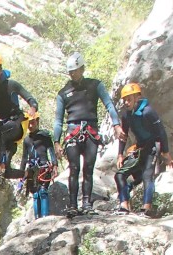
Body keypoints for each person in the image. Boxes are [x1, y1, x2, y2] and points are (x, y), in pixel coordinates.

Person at [52, 52, 125, 216]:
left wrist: (116, 124)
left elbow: (109, 104)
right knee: (74, 168)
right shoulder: (63, 93)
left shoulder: (95, 85)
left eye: (75, 70)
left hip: (91, 131)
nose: (73, 74)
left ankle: (86, 203)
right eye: (70, 71)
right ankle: (72, 205)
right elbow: (58, 120)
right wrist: (56, 142)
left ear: (82, 69)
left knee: (88, 168)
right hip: (72, 131)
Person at [114, 82, 173, 217]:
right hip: (140, 148)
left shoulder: (148, 112)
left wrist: (165, 153)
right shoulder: (126, 115)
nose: (126, 102)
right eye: (124, 99)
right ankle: (124, 205)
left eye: (129, 99)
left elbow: (161, 133)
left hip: (153, 146)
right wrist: (120, 154)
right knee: (120, 175)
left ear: (137, 97)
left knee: (147, 176)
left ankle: (146, 208)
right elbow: (123, 135)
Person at [18, 115, 57, 217]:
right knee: (35, 194)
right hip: (32, 169)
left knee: (43, 191)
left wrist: (55, 164)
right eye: (28, 123)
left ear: (37, 121)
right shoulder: (26, 140)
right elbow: (24, 157)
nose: (30, 125)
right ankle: (37, 218)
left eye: (32, 122)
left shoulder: (45, 136)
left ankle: (44, 217)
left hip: (45, 167)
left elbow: (51, 151)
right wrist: (21, 173)